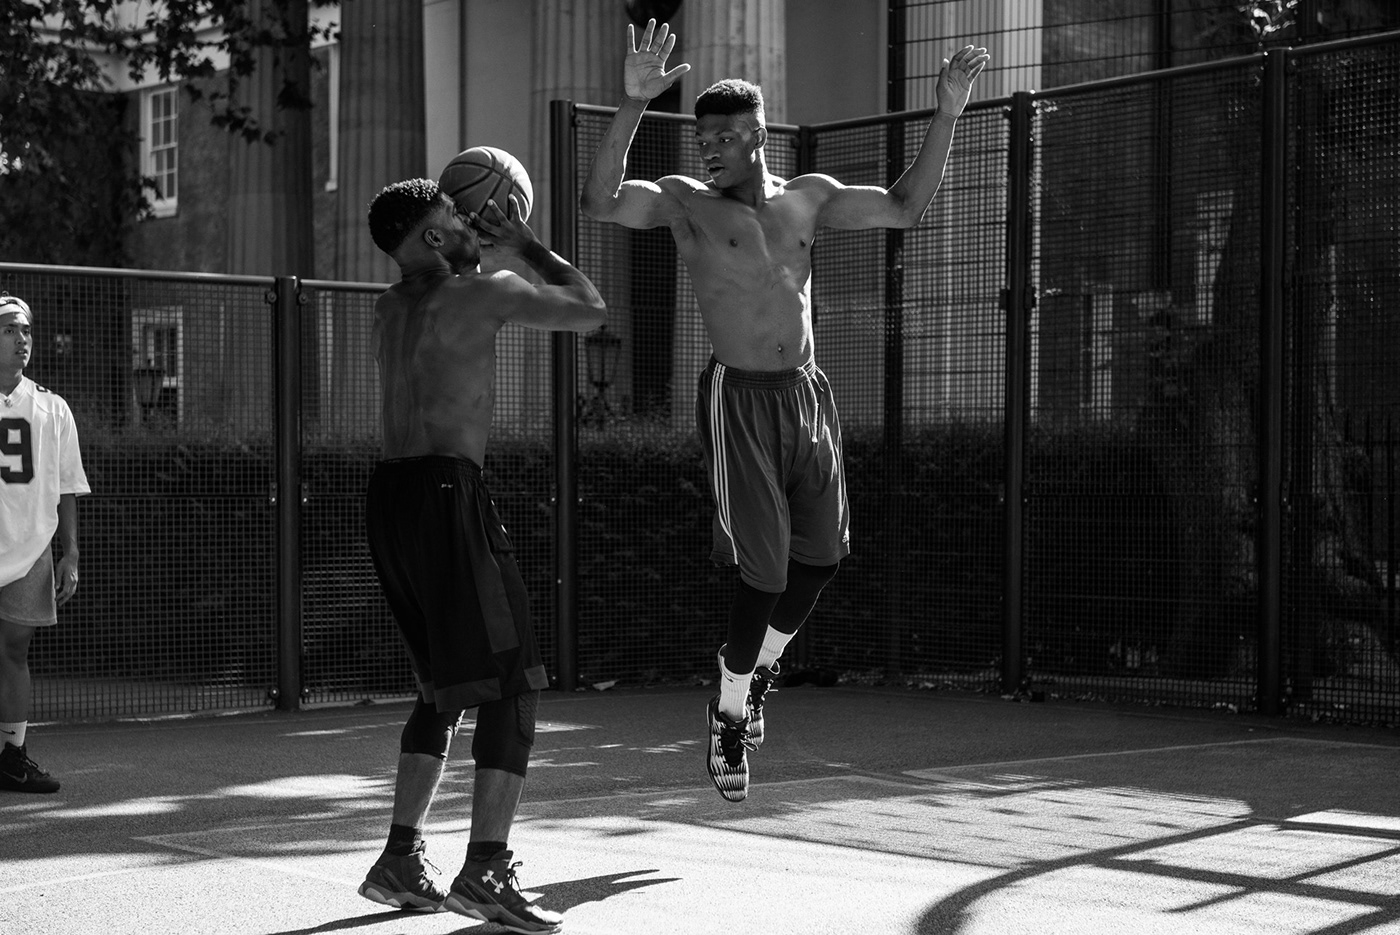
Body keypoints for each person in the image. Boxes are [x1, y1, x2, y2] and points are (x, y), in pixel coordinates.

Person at [581, 20, 988, 802]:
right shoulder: (685, 203)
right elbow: (599, 201)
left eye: (725, 138)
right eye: (703, 139)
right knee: (762, 569)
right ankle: (729, 711)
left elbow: (904, 208)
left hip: (806, 392)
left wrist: (947, 113)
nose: (710, 150)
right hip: (739, 399)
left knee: (823, 558)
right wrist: (632, 106)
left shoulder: (809, 200)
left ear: (758, 135)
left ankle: (757, 671)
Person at [358, 179, 605, 932]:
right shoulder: (480, 293)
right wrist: (526, 246)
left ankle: (401, 857)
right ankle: (485, 869)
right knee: (513, 683)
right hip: (444, 496)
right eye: (456, 218)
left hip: (390, 502)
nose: (470, 224)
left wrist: (485, 247)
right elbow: (591, 309)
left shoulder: (388, 307)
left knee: (444, 685)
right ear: (433, 239)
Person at [0, 293, 90, 795]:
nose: (22, 339)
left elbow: (67, 486)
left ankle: (12, 757)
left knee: (14, 649)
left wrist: (70, 551)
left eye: (27, 330)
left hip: (31, 546)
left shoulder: (53, 408)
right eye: (10, 329)